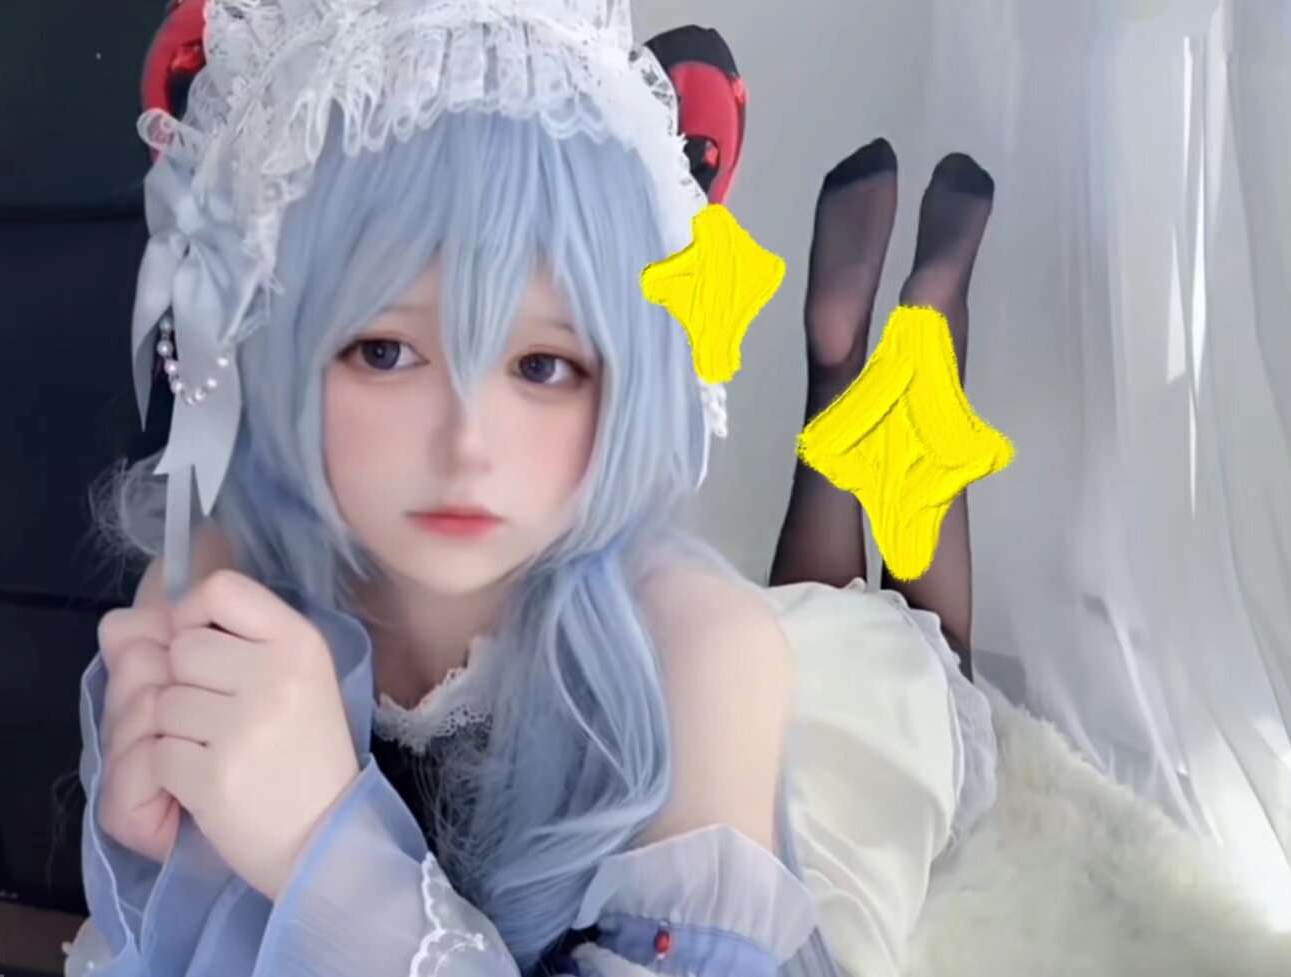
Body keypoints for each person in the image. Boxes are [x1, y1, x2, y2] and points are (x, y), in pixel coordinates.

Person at [70, 2, 996, 975]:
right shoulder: (227, 579)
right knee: (838, 588)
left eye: (542, 366)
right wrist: (167, 851)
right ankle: (851, 365)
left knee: (919, 656)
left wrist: (325, 854)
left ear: (630, 374)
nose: (467, 445)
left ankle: (889, 363)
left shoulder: (710, 653)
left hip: (772, 725)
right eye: (386, 351)